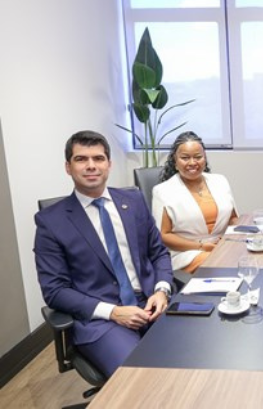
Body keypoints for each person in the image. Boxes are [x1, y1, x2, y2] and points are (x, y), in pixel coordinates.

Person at [34, 130, 173, 378]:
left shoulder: (134, 201)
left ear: (109, 164)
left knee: (196, 357)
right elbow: (55, 290)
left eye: (98, 158)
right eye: (81, 159)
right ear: (68, 167)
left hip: (151, 304)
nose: (91, 166)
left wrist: (162, 290)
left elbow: (158, 252)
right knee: (139, 378)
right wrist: (113, 312)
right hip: (102, 321)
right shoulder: (51, 221)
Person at [152, 131, 239, 273]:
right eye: (185, 158)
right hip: (186, 252)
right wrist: (201, 246)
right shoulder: (162, 191)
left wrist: (233, 239)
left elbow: (233, 218)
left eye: (198, 157)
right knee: (226, 263)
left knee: (253, 255)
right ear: (175, 161)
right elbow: (164, 235)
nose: (192, 163)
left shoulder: (220, 181)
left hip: (222, 246)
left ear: (205, 158)